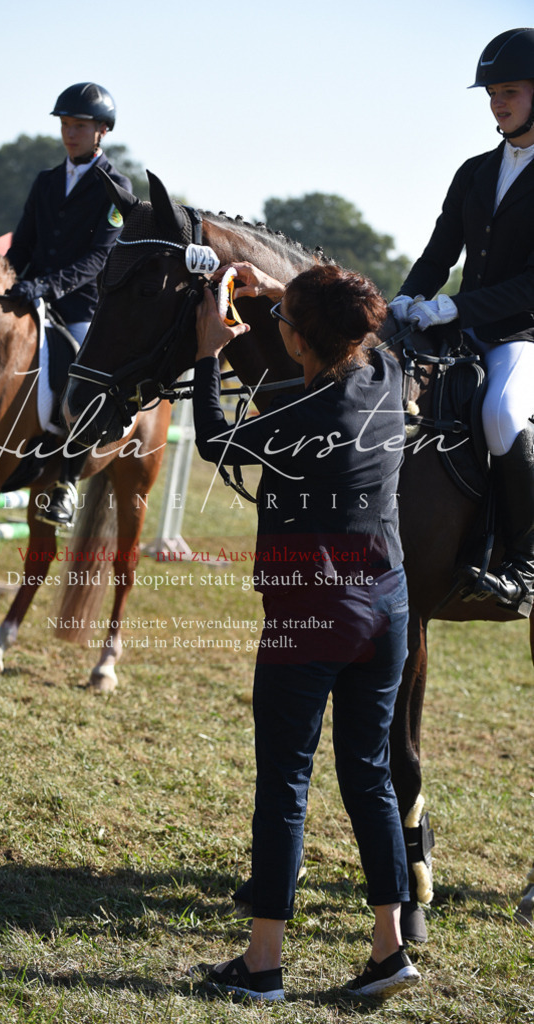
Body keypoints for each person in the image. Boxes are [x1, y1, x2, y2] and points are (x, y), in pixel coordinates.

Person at [188, 261, 420, 1001]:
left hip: (314, 610)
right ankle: (389, 949)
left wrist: (205, 353)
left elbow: (213, 439)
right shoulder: (386, 372)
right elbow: (338, 321)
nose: (276, 326)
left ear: (303, 341)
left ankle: (262, 965)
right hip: (388, 604)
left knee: (286, 781)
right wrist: (266, 298)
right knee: (369, 775)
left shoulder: (300, 419)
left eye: (284, 319)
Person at [390, 28, 534, 616]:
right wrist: (407, 298)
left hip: (522, 334)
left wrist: (457, 306)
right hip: (463, 330)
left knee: (501, 415)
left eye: (511, 91)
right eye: (492, 93)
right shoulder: (475, 170)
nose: (498, 103)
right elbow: (438, 252)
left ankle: (525, 564)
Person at [6, 82, 132, 527]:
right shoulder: (45, 181)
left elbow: (99, 258)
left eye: (79, 125)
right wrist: (7, 280)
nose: (69, 133)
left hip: (78, 306)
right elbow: (22, 245)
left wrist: (47, 287)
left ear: (101, 130)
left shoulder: (115, 187)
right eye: (65, 124)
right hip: (30, 293)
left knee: (86, 381)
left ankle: (67, 482)